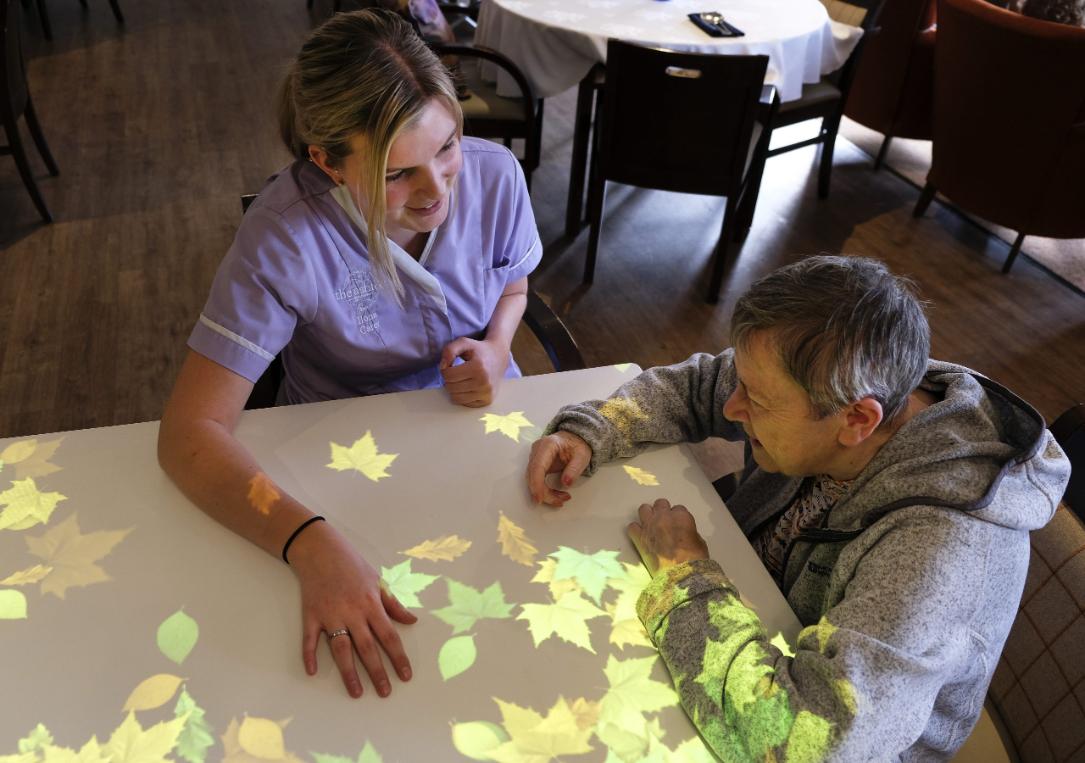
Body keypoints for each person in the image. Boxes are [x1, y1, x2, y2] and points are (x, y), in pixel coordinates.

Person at [526, 256, 1070, 760]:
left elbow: (804, 743)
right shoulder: (855, 377)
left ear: (858, 421)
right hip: (762, 616)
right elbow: (702, 384)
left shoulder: (935, 557)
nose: (733, 408)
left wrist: (685, 579)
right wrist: (596, 429)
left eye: (756, 401)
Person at [158, 10, 541, 701]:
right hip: (341, 453)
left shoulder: (496, 176)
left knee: (515, 633)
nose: (437, 193)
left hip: (480, 434)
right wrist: (308, 540)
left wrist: (497, 343)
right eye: (397, 175)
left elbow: (512, 284)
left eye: (449, 147)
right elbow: (189, 434)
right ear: (326, 161)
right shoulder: (285, 237)